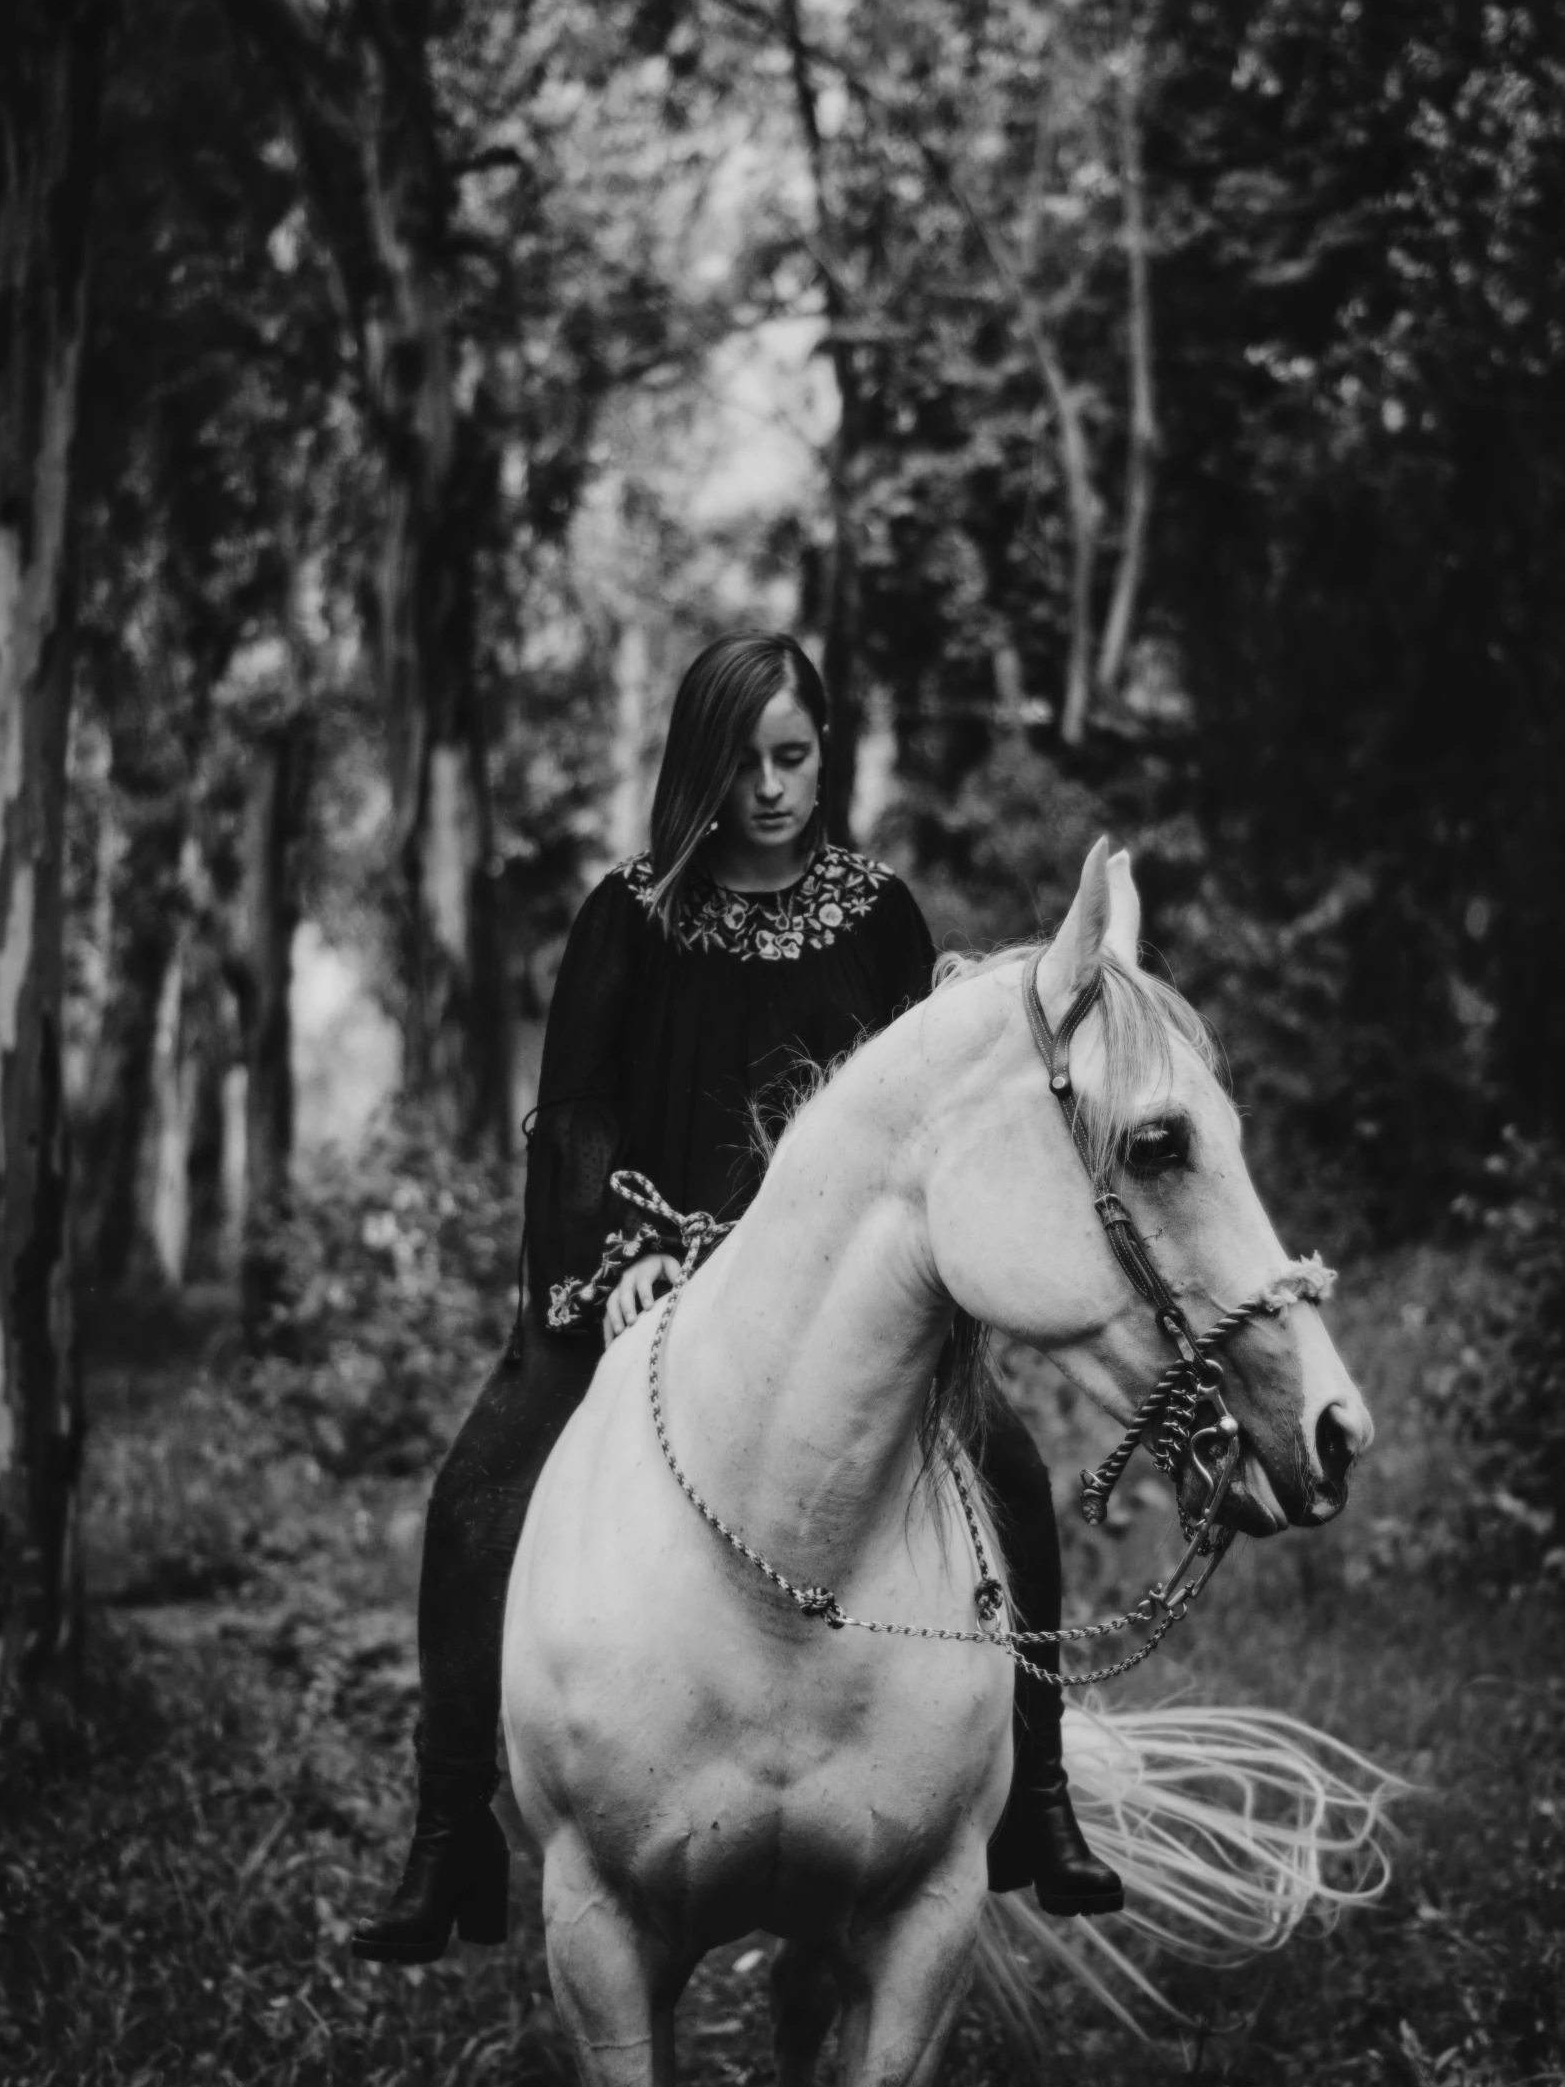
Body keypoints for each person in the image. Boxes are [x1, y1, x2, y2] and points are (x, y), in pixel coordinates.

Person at [352, 631, 1121, 1967]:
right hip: (635, 1267)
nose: (769, 788)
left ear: (823, 753)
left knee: (1008, 1465)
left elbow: (914, 1123)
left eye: (793, 756)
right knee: (476, 1496)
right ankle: (449, 1837)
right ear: (696, 761)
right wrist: (612, 1259)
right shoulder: (627, 914)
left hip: (829, 1293)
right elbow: (576, 1117)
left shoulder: (881, 916)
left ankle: (1035, 1798)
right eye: (743, 760)